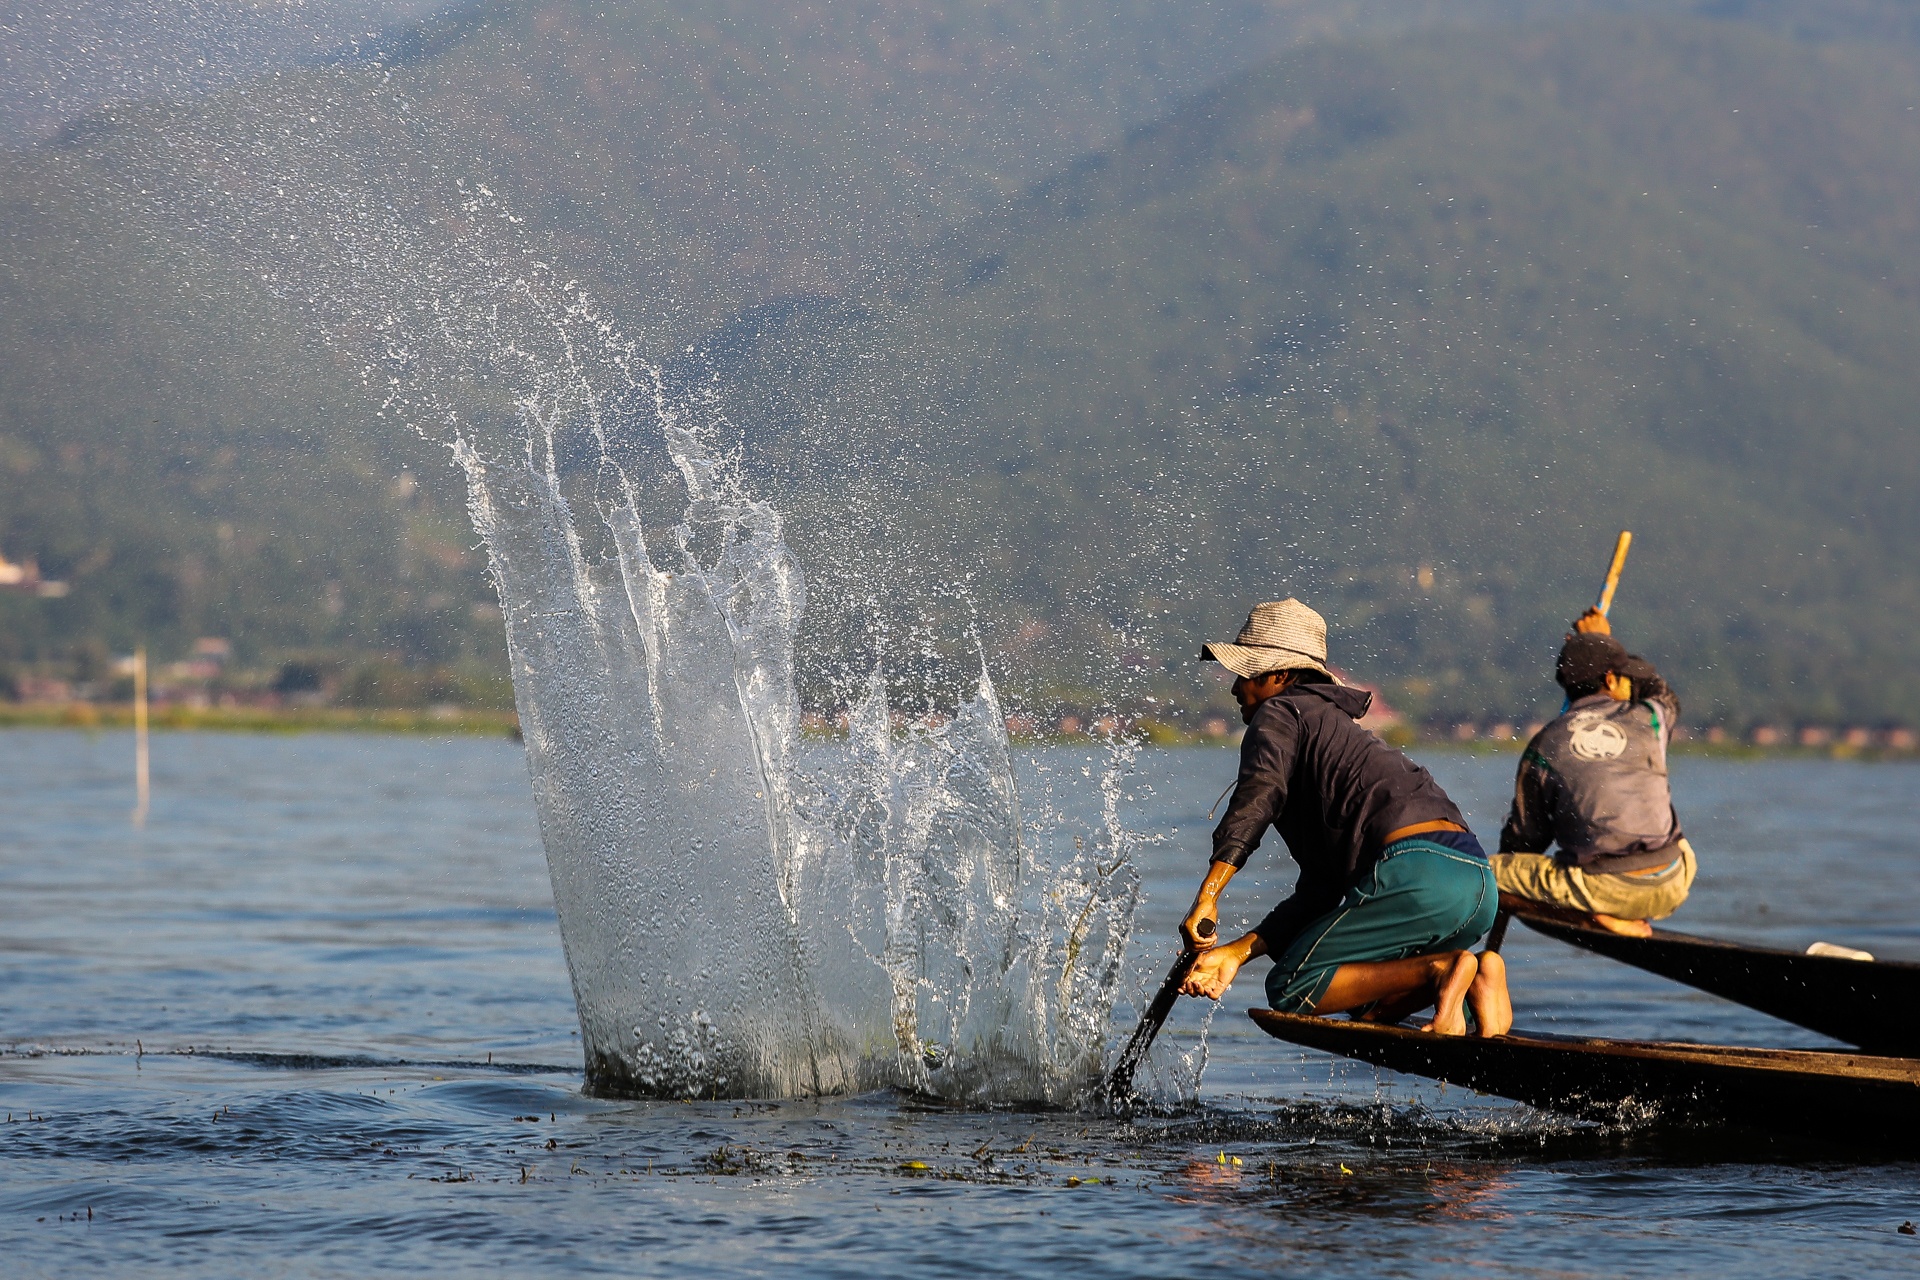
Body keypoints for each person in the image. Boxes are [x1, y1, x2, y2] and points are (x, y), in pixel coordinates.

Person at [1177, 599, 1510, 1037]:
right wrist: (1236, 953)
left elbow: (1258, 796)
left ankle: (1442, 971)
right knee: (1367, 1005)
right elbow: (1320, 892)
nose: (1236, 689)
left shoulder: (1280, 712)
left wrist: (1209, 895)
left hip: (1414, 873)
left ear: (1279, 676)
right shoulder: (1332, 737)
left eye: (1246, 674)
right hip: (1476, 884)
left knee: (1291, 986)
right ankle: (1476, 978)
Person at [1492, 608, 1696, 938]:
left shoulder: (1544, 746)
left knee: (1485, 876)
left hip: (1607, 890)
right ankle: (1604, 907)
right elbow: (1659, 690)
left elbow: (1524, 842)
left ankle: (1595, 919)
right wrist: (1605, 639)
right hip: (1674, 879)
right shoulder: (1651, 717)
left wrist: (1507, 891)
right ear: (1613, 679)